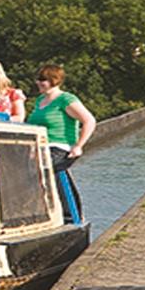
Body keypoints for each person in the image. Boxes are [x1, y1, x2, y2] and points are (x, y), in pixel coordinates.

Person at [27, 64, 96, 223]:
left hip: (61, 147)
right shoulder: (40, 100)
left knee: (42, 169)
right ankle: (43, 213)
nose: (38, 82)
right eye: (37, 79)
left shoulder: (65, 99)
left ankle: (70, 215)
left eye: (42, 80)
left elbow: (89, 121)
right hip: (40, 147)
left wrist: (79, 146)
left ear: (54, 80)